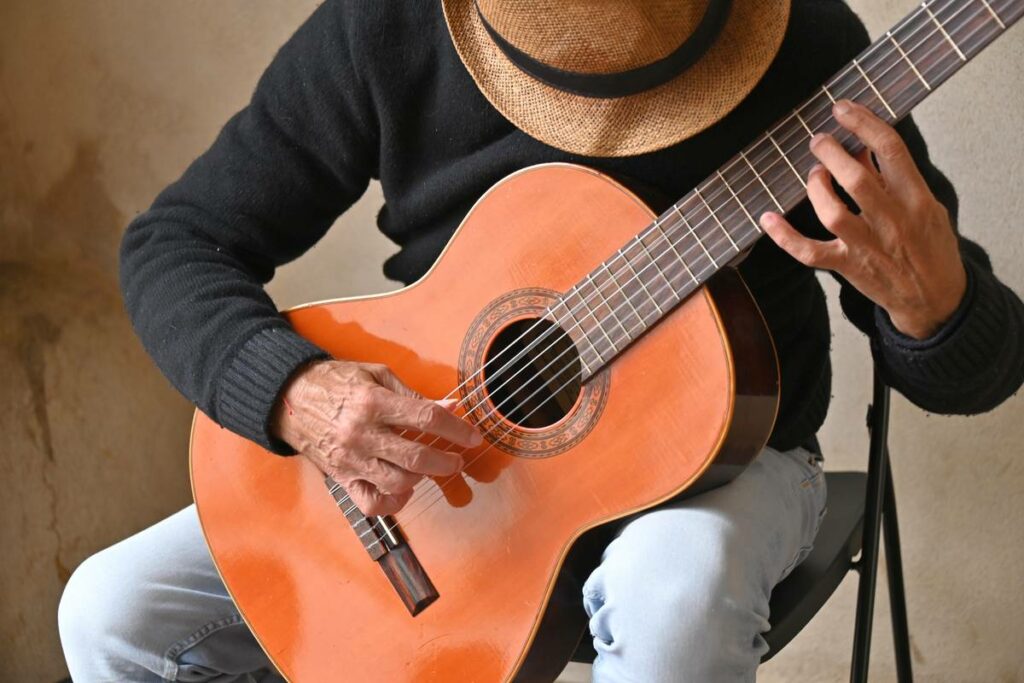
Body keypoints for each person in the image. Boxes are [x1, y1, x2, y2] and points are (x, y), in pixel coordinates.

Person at [58, 1, 1024, 681]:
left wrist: (935, 309)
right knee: (111, 612)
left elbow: (975, 374)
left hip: (726, 468)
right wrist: (295, 392)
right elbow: (173, 243)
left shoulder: (808, 48)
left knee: (670, 592)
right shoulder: (388, 24)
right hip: (433, 479)